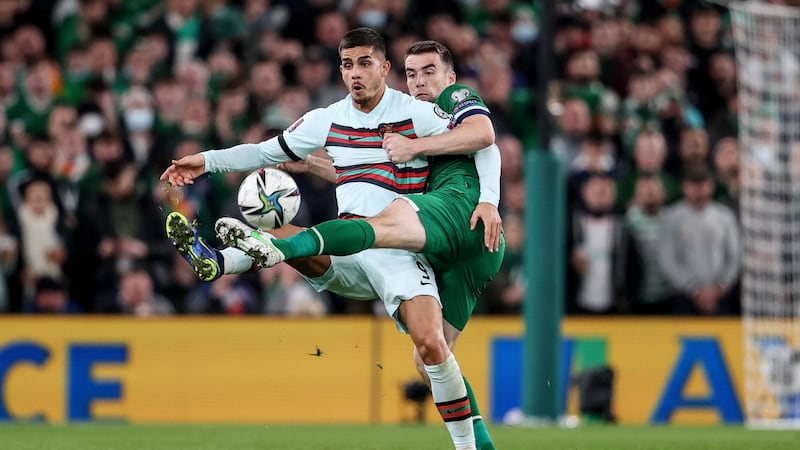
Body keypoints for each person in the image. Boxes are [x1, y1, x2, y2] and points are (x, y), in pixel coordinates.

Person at [162, 29, 497, 450]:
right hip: (349, 248)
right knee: (287, 233)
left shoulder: (414, 112)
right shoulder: (326, 118)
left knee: (429, 348)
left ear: (384, 68)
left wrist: (489, 199)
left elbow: (482, 139)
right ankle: (224, 259)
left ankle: (474, 448)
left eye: (364, 63)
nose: (354, 73)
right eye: (346, 64)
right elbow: (264, 152)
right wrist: (206, 162)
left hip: (398, 248)